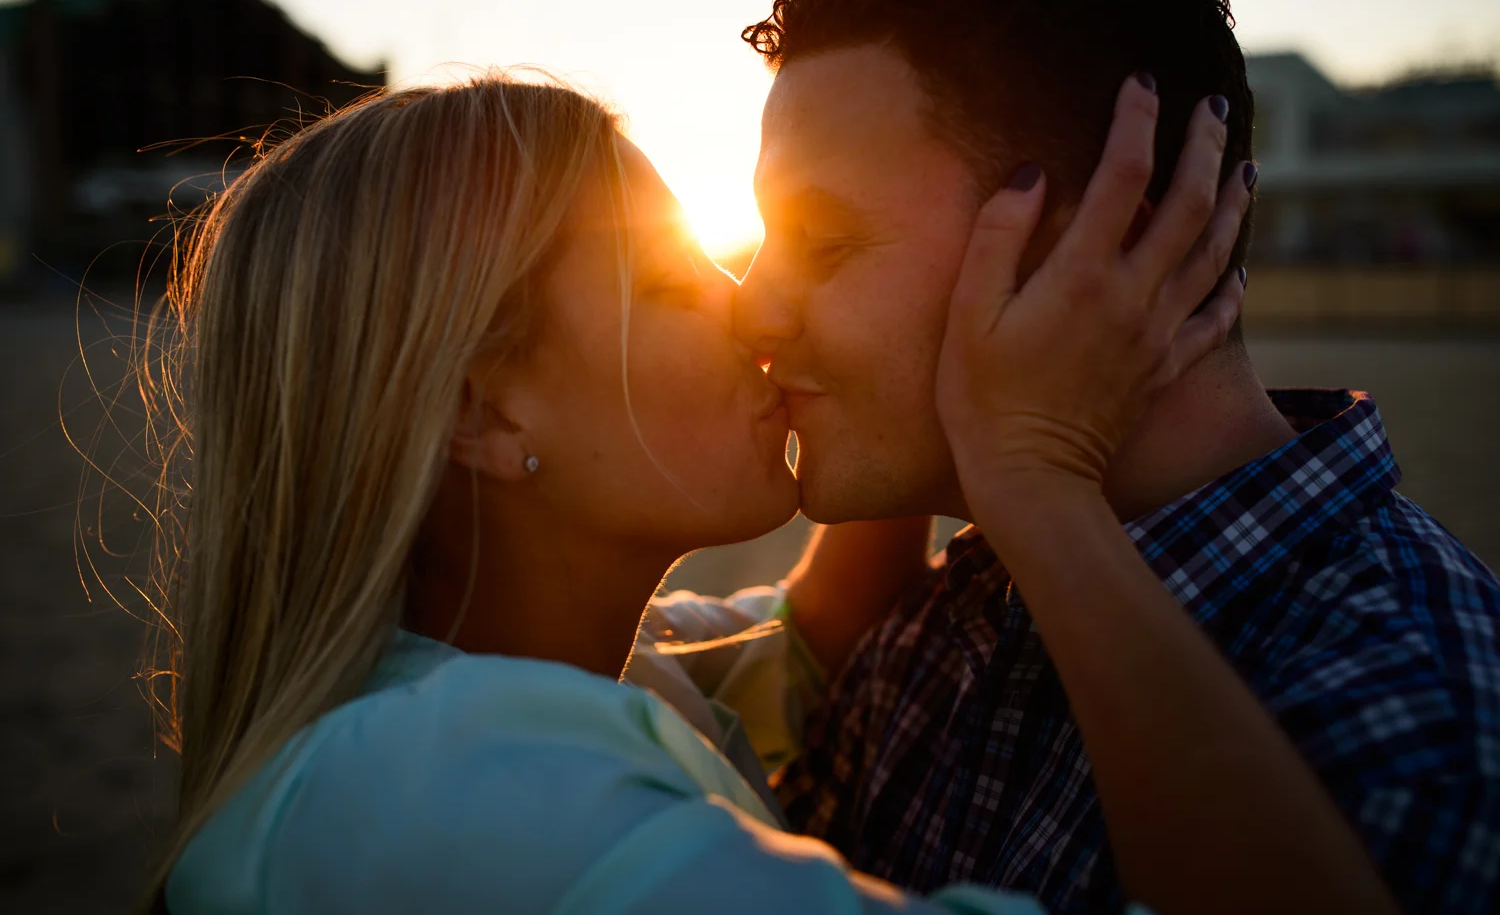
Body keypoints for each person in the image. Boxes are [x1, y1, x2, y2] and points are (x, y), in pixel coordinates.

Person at [140, 69, 1393, 914]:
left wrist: (910, 356)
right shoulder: (478, 801)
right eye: (670, 282)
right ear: (484, 411)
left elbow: (817, 639)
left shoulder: (533, 692)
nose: (751, 311)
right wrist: (1033, 470)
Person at [730, 0, 1500, 914]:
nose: (748, 309)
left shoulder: (1414, 742)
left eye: (825, 242)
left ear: (1102, 249)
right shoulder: (937, 629)